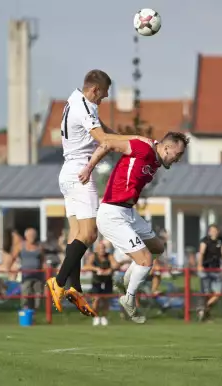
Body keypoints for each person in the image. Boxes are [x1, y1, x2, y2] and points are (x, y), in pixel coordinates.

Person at [46, 69, 152, 317]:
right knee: (90, 233)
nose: (103, 100)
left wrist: (129, 136)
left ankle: (75, 288)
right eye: (103, 96)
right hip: (80, 172)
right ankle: (59, 282)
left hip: (67, 172)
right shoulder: (85, 107)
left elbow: (106, 131)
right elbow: (104, 140)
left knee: (77, 234)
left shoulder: (75, 100)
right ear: (94, 90)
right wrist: (134, 143)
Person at [84, 131, 189, 323]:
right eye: (178, 154)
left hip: (129, 212)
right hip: (112, 214)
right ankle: (129, 299)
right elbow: (107, 142)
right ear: (167, 148)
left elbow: (152, 144)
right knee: (146, 260)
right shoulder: (142, 148)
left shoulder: (156, 158)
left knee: (157, 247)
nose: (178, 159)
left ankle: (126, 280)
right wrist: (89, 168)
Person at [197, 224, 222, 321]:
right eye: (212, 230)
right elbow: (201, 253)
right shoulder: (205, 240)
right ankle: (205, 314)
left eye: (216, 230)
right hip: (206, 269)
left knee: (218, 293)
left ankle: (204, 308)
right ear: (209, 232)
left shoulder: (221, 240)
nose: (214, 232)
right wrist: (200, 265)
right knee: (206, 292)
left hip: (216, 269)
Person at [83, 240, 118, 326]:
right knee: (96, 300)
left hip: (107, 281)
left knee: (106, 300)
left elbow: (116, 265)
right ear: (97, 249)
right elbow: (86, 266)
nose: (102, 250)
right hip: (97, 281)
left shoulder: (109, 256)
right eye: (100, 248)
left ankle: (104, 317)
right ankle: (96, 317)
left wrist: (111, 269)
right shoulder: (93, 256)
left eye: (103, 248)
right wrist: (96, 269)